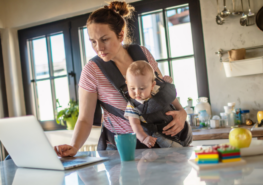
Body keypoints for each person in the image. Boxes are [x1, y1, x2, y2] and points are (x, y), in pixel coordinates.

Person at [54, 1, 188, 157]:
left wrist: (182, 112)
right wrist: (74, 146)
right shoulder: (92, 71)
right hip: (126, 150)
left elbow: (161, 89)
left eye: (105, 39)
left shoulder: (142, 53)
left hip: (162, 143)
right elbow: (84, 119)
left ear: (120, 35)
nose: (99, 48)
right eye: (93, 42)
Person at [124, 60, 191, 148]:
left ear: (152, 85)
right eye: (132, 88)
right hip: (162, 136)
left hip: (182, 128)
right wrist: (144, 138)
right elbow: (135, 125)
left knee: (188, 144)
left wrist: (167, 84)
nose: (137, 92)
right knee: (178, 153)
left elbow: (171, 97)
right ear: (127, 85)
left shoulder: (157, 90)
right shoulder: (133, 106)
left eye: (142, 88)